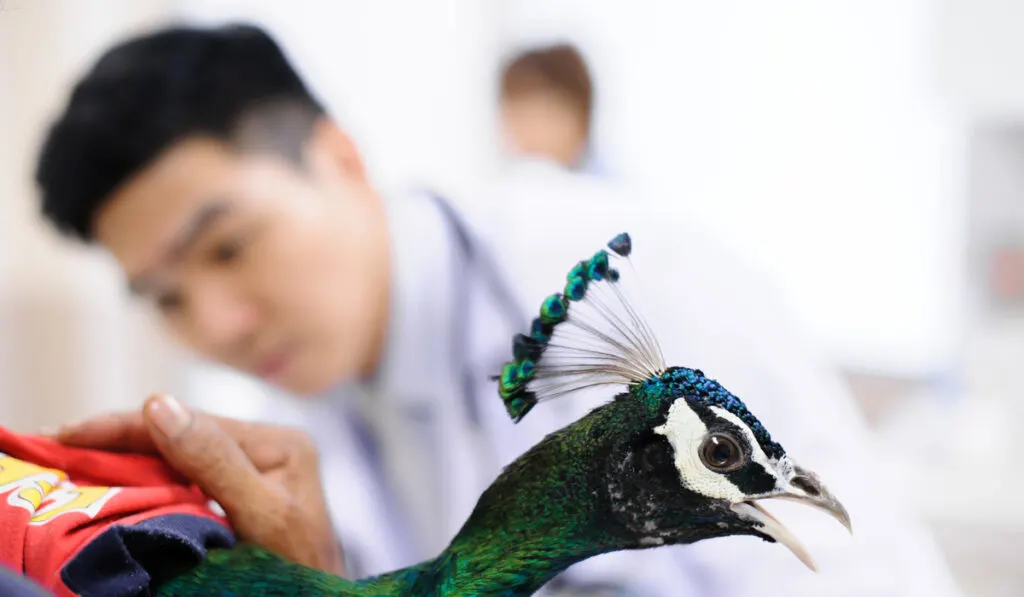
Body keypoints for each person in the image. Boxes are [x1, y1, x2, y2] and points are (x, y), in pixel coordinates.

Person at [34, 23, 965, 596]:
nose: (217, 323)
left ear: (341, 160)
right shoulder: (308, 405)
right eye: (167, 297)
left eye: (230, 246)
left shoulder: (634, 270)